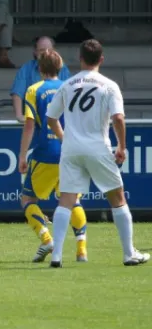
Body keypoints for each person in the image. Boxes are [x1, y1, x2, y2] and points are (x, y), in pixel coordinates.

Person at [46, 39, 150, 267]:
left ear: (80, 58)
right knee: (118, 198)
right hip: (97, 146)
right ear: (101, 59)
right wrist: (122, 146)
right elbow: (118, 118)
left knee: (66, 200)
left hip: (71, 149)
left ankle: (57, 255)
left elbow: (51, 118)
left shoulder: (67, 84)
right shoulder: (109, 86)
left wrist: (65, 138)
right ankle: (128, 253)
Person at [18, 49, 87, 263]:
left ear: (39, 69)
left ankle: (46, 239)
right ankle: (81, 250)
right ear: (60, 67)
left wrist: (22, 155)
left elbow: (29, 126)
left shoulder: (34, 90)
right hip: (72, 150)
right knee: (71, 199)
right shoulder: (72, 87)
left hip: (46, 151)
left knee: (28, 199)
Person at [10, 36, 72, 123]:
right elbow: (17, 92)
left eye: (49, 50)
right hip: (34, 120)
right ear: (35, 52)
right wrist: (19, 115)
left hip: (58, 119)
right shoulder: (27, 69)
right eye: (42, 50)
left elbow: (70, 94)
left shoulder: (63, 68)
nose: (46, 53)